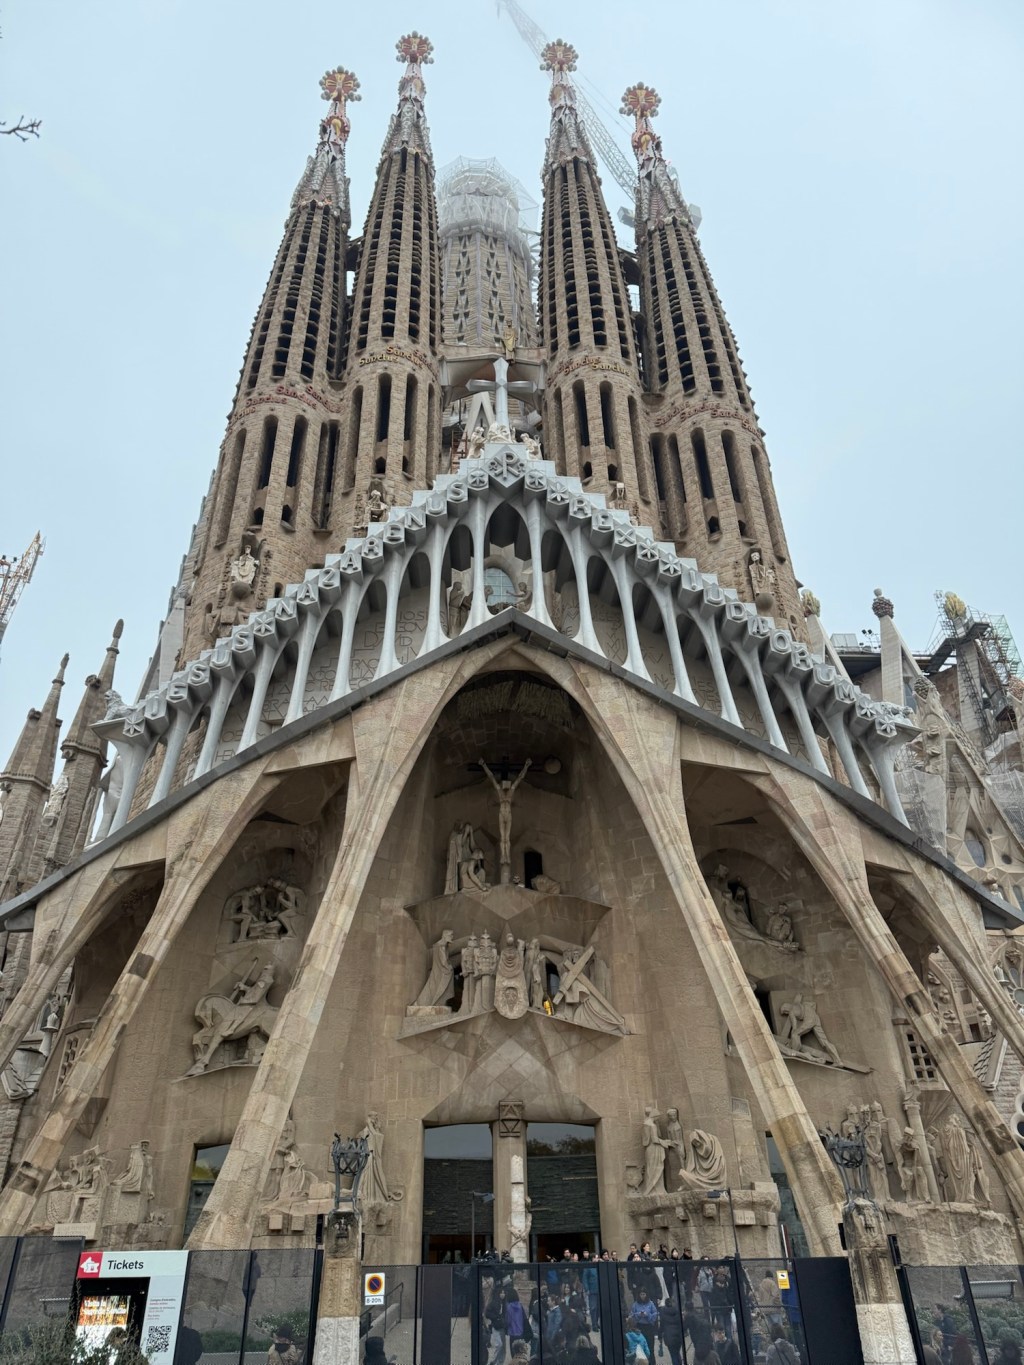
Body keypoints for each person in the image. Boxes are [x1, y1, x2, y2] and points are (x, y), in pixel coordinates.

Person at [627, 1286, 660, 1362]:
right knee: (640, 1348)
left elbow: (655, 1315)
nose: (642, 1296)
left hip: (648, 1328)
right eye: (641, 1294)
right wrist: (638, 1315)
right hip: (639, 1327)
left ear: (646, 1294)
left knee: (650, 1348)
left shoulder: (651, 1304)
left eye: (644, 1294)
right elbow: (632, 1316)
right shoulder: (635, 1304)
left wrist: (647, 1315)